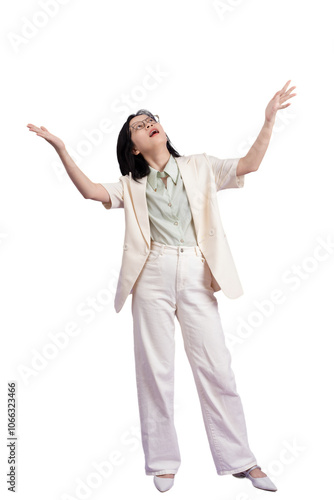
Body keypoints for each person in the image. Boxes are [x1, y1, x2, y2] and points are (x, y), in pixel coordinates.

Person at [26, 80, 296, 493]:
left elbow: (250, 164)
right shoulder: (131, 186)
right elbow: (90, 192)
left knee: (216, 366)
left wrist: (268, 119)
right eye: (138, 125)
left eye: (151, 119)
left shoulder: (200, 165)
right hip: (150, 275)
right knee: (155, 370)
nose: (149, 123)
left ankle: (241, 460)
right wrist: (62, 149)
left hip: (195, 272)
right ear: (133, 146)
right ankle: (163, 462)